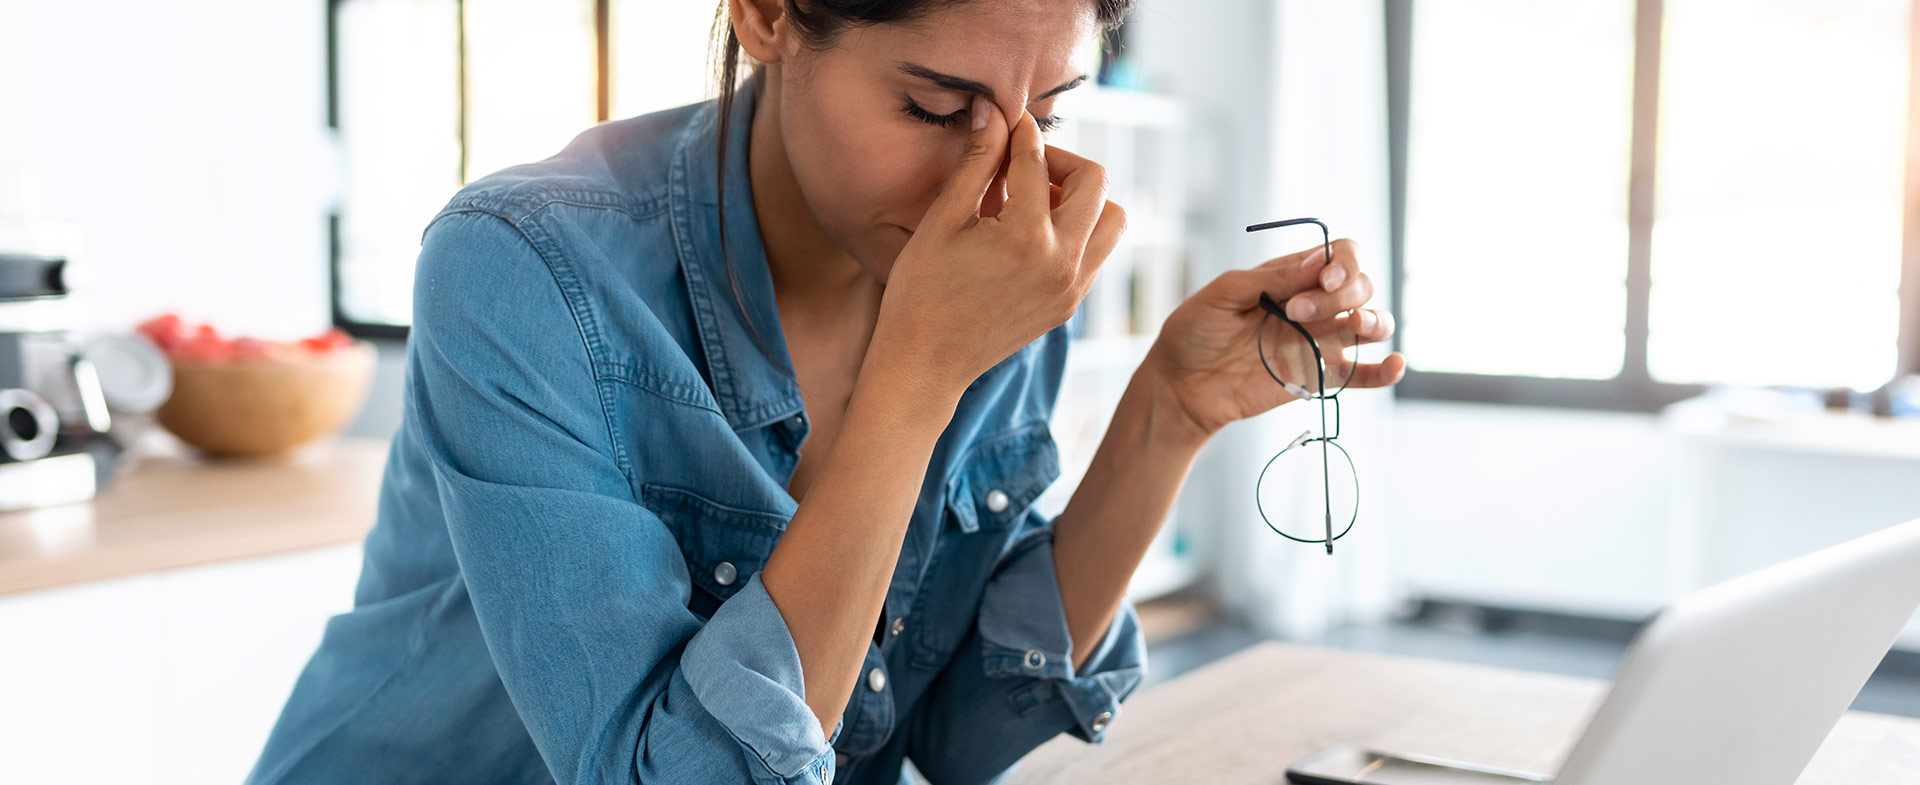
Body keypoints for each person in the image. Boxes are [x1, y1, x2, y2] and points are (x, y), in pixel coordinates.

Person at [245, 1, 1405, 783]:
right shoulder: (527, 266)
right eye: (937, 110)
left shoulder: (996, 267)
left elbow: (954, 731)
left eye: (1048, 117)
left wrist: (1168, 412)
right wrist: (918, 375)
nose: (999, 185)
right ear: (766, 14)